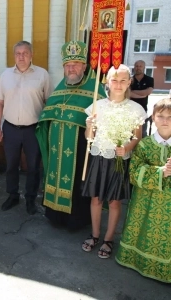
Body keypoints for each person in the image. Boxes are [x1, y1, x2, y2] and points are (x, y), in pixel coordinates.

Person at [36, 41, 107, 230]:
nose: (71, 68)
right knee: (55, 174)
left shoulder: (95, 90)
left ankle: (75, 219)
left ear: (84, 66)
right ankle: (55, 215)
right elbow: (48, 113)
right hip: (56, 145)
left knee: (77, 181)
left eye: (75, 64)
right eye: (68, 65)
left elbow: (104, 121)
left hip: (80, 149)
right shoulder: (60, 89)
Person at [81, 64, 146, 259]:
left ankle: (108, 239)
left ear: (129, 83)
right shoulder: (97, 105)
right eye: (114, 80)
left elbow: (137, 137)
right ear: (107, 82)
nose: (118, 84)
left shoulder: (136, 109)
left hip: (118, 159)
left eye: (123, 80)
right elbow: (88, 137)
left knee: (114, 201)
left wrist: (126, 148)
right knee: (96, 199)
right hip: (99, 157)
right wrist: (89, 125)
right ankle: (95, 234)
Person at [0, 41, 52, 215]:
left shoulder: (42, 75)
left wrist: (47, 128)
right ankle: (12, 195)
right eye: (18, 53)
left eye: (25, 53)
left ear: (31, 54)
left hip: (33, 129)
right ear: (14, 56)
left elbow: (49, 102)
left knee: (33, 166)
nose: (21, 56)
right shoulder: (6, 75)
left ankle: (31, 199)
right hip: (10, 128)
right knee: (11, 165)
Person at [115, 97, 171, 283]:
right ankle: (137, 260)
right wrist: (160, 172)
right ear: (153, 118)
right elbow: (134, 172)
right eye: (161, 116)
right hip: (145, 201)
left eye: (170, 116)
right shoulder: (144, 145)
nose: (165, 120)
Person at [130, 60, 154, 137]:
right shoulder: (130, 80)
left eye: (140, 66)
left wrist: (133, 92)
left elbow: (148, 92)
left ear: (144, 67)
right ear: (134, 67)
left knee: (142, 133)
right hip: (130, 110)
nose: (138, 68)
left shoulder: (149, 79)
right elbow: (128, 93)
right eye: (136, 66)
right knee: (129, 133)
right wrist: (142, 94)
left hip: (143, 110)